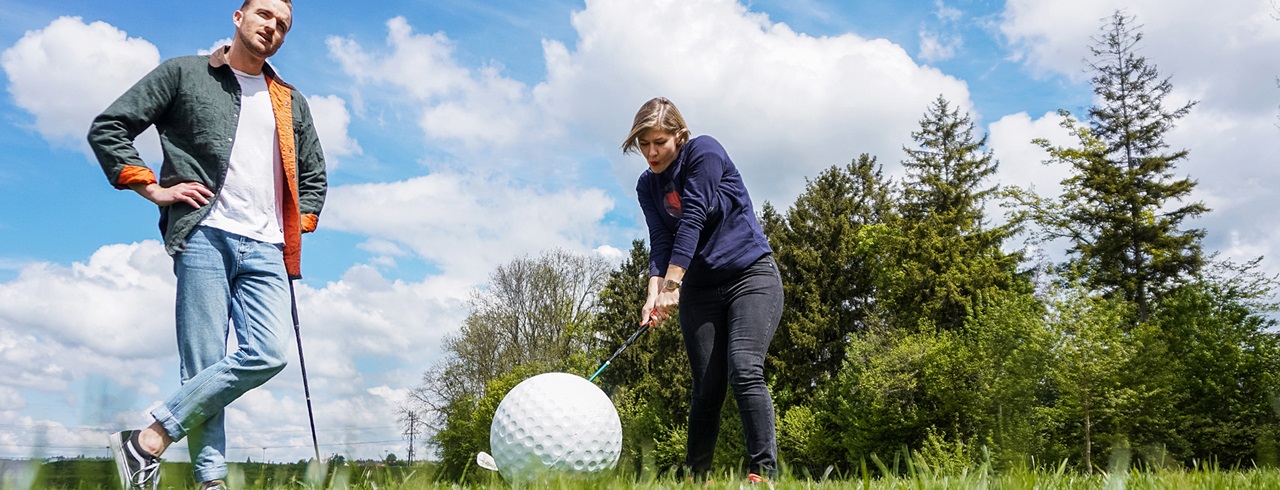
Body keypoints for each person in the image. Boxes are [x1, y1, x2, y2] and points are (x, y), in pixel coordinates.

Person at [87, 0, 326, 487]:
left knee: (268, 352)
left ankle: (147, 441)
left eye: (282, 25)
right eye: (264, 15)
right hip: (204, 235)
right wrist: (151, 188)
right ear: (239, 17)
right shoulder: (184, 73)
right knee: (204, 366)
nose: (272, 27)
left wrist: (297, 222)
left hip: (267, 246)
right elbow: (110, 127)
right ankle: (210, 480)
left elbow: (314, 173)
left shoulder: (290, 101)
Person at [623, 97, 783, 483]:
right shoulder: (647, 185)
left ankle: (762, 474)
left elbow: (693, 216)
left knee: (744, 368)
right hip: (701, 290)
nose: (651, 152)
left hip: (750, 276)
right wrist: (653, 294)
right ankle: (696, 480)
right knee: (706, 387)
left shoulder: (704, 152)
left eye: (659, 142)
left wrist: (673, 283)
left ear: (679, 136)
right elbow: (661, 240)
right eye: (644, 144)